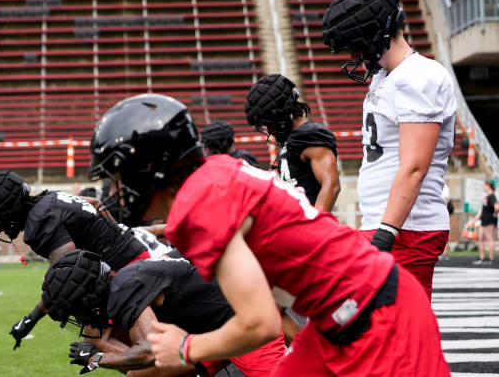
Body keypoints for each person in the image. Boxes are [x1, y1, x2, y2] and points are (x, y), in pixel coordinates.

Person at [89, 94, 449, 376]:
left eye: (120, 174)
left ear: (150, 169)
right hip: (347, 312)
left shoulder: (200, 203)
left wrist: (187, 347)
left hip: (376, 316)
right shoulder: (217, 172)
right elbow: (277, 267)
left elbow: (259, 324)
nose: (116, 187)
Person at [322, 0, 457, 296]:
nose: (354, 54)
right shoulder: (388, 77)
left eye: (355, 44)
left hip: (407, 228)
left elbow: (413, 167)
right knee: (382, 330)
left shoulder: (418, 77)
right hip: (392, 224)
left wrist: (386, 232)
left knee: (392, 330)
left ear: (375, 35)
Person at [0, 170, 171, 350]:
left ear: (8, 213)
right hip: (135, 251)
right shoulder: (49, 199)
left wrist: (31, 319)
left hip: (130, 267)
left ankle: (155, 367)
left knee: (97, 341)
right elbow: (96, 203)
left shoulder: (39, 223)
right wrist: (116, 233)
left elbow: (69, 281)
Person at [41, 250, 285, 376]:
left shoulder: (123, 291)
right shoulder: (127, 278)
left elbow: (150, 351)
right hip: (214, 333)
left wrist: (97, 359)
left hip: (243, 330)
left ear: (88, 298)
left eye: (77, 311)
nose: (81, 319)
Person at [245, 74, 341, 212]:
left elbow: (331, 186)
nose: (270, 131)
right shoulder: (293, 139)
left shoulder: (309, 135)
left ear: (282, 117)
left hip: (307, 228)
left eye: (269, 124)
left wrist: (313, 226)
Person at [472, 181, 498, 264]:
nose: (483, 187)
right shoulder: (487, 197)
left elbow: (497, 207)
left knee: (490, 239)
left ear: (488, 186)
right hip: (483, 221)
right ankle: (482, 258)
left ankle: (491, 259)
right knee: (480, 238)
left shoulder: (492, 196)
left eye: (484, 186)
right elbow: (482, 210)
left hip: (489, 220)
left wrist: (494, 214)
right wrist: (475, 219)